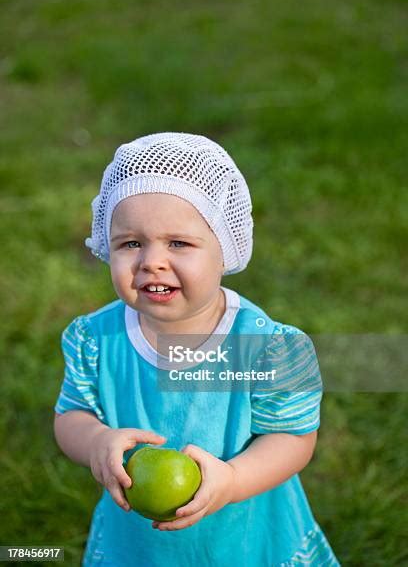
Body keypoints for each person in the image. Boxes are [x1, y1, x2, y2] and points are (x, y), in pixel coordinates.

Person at [54, 132, 340, 566]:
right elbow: (72, 414)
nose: (151, 260)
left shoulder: (267, 347)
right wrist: (96, 441)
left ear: (224, 250)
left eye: (179, 243)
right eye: (130, 242)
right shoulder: (96, 339)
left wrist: (233, 480)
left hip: (244, 536)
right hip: (138, 543)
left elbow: (293, 438)